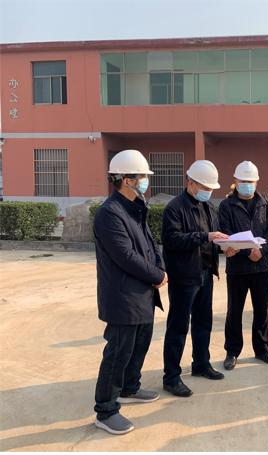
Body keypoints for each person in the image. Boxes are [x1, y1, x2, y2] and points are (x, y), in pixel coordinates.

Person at [93, 149, 167, 435]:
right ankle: (106, 410)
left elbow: (150, 244)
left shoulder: (135, 206)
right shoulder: (110, 213)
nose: (145, 181)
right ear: (125, 180)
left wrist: (159, 268)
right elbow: (125, 256)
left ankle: (129, 387)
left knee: (140, 344)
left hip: (143, 293)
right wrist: (157, 275)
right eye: (141, 177)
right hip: (123, 296)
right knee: (118, 352)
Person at [161, 160, 229, 398]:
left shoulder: (209, 207)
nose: (208, 191)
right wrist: (204, 236)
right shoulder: (174, 208)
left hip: (205, 273)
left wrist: (226, 247)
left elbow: (213, 239)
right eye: (204, 187)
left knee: (203, 322)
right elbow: (172, 240)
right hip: (184, 276)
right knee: (178, 327)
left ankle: (201, 363)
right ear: (190, 182)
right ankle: (171, 376)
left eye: (211, 188)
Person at [218, 161, 268, 371]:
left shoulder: (265, 204)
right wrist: (247, 251)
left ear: (256, 181)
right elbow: (225, 232)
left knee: (261, 310)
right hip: (237, 269)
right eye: (243, 181)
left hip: (261, 267)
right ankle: (232, 351)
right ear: (235, 181)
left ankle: (262, 349)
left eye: (250, 181)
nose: (247, 184)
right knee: (234, 311)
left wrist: (261, 251)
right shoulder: (226, 206)